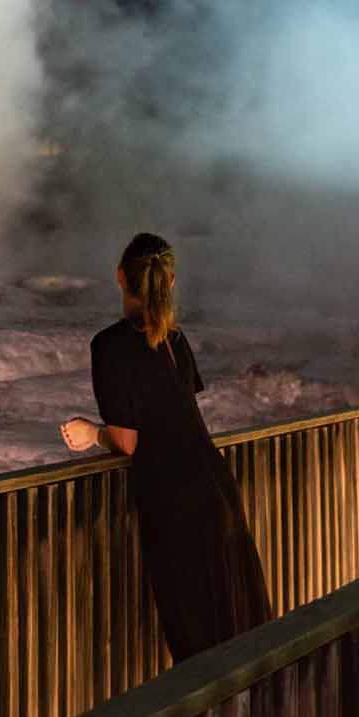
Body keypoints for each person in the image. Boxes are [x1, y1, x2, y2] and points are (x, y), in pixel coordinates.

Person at [58, 232, 274, 662]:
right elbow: (179, 416)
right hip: (217, 489)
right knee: (240, 628)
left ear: (120, 277)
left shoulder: (109, 345)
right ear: (170, 281)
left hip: (175, 504)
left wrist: (91, 434)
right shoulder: (175, 339)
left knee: (196, 641)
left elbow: (128, 440)